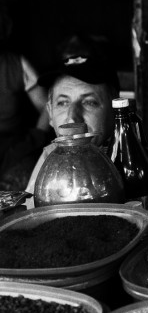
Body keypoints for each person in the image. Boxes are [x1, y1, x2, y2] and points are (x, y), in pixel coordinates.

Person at [24, 34, 120, 208]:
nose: (72, 117)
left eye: (89, 102)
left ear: (115, 112)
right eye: (62, 103)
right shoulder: (50, 157)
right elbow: (32, 214)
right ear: (50, 114)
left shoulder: (129, 155)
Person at [0, 50, 51, 190]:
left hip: (12, 146)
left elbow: (47, 106)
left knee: (23, 184)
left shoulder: (15, 63)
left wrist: (37, 136)